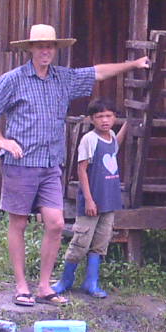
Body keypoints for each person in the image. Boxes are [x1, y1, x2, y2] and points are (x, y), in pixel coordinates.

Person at [0, 23, 149, 307]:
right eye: (40, 46)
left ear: (55, 49)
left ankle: (44, 286)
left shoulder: (63, 79)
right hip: (22, 162)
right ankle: (21, 286)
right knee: (18, 222)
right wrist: (1, 140)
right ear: (30, 48)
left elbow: (98, 72)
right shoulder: (14, 79)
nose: (45, 50)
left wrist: (133, 64)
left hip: (51, 164)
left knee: (55, 224)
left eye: (50, 46)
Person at [50, 99, 127, 299]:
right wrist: (90, 200)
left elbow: (116, 145)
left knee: (101, 242)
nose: (105, 120)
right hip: (92, 201)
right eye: (100, 117)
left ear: (115, 118)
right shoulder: (89, 139)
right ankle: (65, 280)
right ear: (92, 119)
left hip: (109, 200)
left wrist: (129, 125)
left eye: (109, 116)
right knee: (81, 241)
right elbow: (81, 169)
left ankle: (91, 282)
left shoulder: (110, 137)